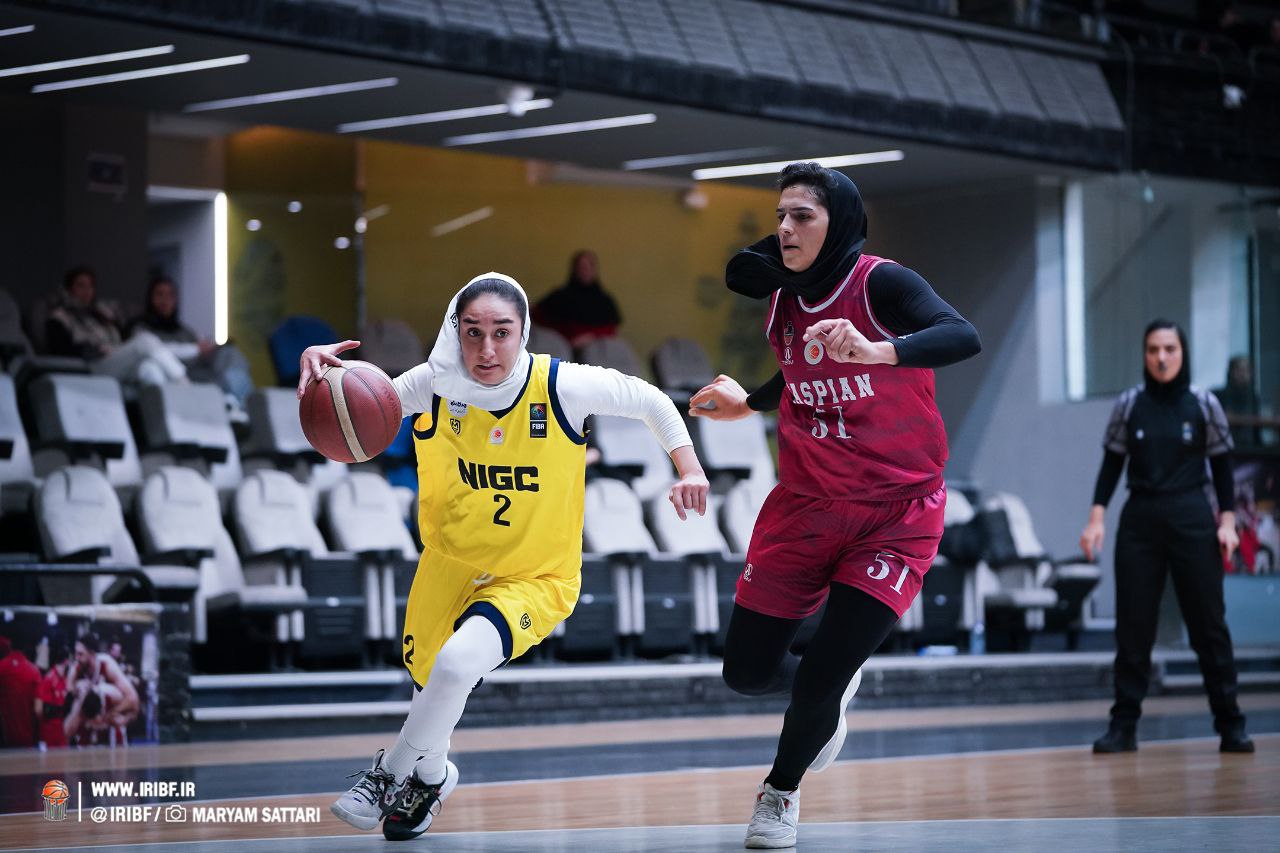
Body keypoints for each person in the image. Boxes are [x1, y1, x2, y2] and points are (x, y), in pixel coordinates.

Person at [298, 272, 708, 841]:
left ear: (523, 333)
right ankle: (432, 778)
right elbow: (354, 414)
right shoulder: (430, 384)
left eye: (501, 332)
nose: (487, 348)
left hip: (534, 576)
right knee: (432, 692)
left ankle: (386, 775)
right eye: (472, 332)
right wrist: (326, 377)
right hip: (448, 566)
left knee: (456, 667)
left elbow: (652, 400)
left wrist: (689, 467)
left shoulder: (562, 385)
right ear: (455, 331)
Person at [689, 162, 980, 849]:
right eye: (780, 215)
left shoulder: (882, 284)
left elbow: (961, 334)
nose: (785, 228)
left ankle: (779, 793)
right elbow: (798, 369)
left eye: (802, 216)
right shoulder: (784, 297)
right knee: (746, 672)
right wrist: (749, 402)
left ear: (838, 222)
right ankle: (826, 691)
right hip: (807, 505)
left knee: (822, 671)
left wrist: (881, 350)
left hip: (896, 513)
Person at [1080, 319, 1254, 755]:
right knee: (1133, 629)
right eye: (1153, 349)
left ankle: (1231, 726)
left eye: (1170, 349)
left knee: (1209, 627)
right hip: (1141, 519)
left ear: (1183, 352)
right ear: (1145, 354)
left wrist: (1227, 522)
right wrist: (1096, 518)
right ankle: (1123, 727)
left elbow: (1223, 467)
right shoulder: (1129, 404)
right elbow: (1111, 465)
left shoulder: (1204, 404)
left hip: (1192, 516)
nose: (1161, 358)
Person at [45, 266, 188, 387]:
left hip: (117, 360)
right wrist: (92, 349)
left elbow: (124, 338)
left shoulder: (102, 314)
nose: (87, 290)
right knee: (145, 340)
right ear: (69, 288)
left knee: (150, 368)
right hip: (94, 364)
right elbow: (60, 350)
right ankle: (185, 385)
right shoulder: (59, 317)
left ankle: (169, 409)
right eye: (81, 285)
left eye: (90, 286)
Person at [130, 276, 254, 406]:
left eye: (170, 295)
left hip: (198, 372)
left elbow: (202, 352)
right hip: (173, 376)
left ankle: (240, 405)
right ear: (150, 298)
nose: (165, 300)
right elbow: (154, 350)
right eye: (160, 294)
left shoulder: (185, 331)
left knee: (230, 352)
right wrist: (196, 350)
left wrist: (210, 349)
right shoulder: (141, 329)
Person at [530, 250, 622, 347]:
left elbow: (611, 330)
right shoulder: (560, 296)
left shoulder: (605, 300)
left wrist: (592, 336)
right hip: (560, 347)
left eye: (589, 266)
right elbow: (538, 315)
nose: (585, 270)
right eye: (581, 267)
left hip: (594, 348)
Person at [0, 635, 41, 748]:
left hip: (4, 740)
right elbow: (38, 710)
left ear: (10, 646)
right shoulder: (34, 671)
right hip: (28, 738)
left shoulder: (1, 667)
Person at [1213, 355, 1260, 449]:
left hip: (1250, 448)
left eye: (1246, 370)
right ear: (1231, 372)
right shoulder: (1219, 396)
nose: (1243, 374)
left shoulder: (1253, 398)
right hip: (1226, 447)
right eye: (1239, 370)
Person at [36, 645, 74, 749]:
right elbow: (39, 710)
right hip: (50, 735)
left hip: (63, 733)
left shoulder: (66, 680)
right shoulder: (49, 679)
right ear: (66, 661)